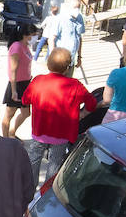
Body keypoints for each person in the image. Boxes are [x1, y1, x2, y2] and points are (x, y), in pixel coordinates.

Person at [21, 48, 96, 186]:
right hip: (62, 135)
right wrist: (83, 114)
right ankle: (46, 192)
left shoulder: (38, 81)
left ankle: (29, 193)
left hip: (40, 132)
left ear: (49, 64)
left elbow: (25, 100)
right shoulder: (75, 85)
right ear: (67, 68)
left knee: (34, 160)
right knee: (54, 164)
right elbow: (91, 103)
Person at [3, 25, 37, 138]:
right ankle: (5, 139)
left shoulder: (25, 46)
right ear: (25, 35)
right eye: (33, 35)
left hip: (26, 84)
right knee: (9, 114)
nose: (35, 37)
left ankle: (12, 132)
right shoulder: (17, 47)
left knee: (26, 113)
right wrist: (13, 90)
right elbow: (13, 70)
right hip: (17, 84)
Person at [52, 0, 86, 73]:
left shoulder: (79, 18)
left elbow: (79, 38)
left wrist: (79, 57)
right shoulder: (60, 19)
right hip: (60, 61)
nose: (77, 10)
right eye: (75, 7)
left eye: (78, 8)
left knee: (68, 83)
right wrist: (53, 57)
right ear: (68, 7)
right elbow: (52, 39)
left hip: (71, 61)